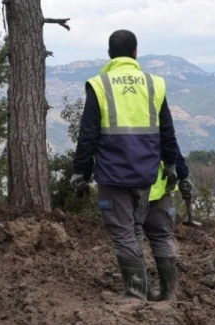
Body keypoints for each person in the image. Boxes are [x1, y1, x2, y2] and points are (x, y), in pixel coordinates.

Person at [70, 29, 178, 301]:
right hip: (149, 174)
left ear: (109, 54)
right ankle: (168, 294)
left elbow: (88, 133)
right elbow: (167, 131)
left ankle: (135, 294)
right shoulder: (154, 84)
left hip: (114, 174)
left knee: (124, 233)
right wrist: (173, 165)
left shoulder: (100, 84)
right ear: (135, 52)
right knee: (155, 233)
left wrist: (80, 172)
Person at [143, 147, 188, 301]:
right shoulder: (157, 121)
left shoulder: (106, 121)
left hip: (122, 189)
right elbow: (169, 142)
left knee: (127, 238)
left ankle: (136, 292)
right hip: (158, 186)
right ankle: (168, 294)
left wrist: (84, 171)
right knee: (161, 237)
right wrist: (183, 174)